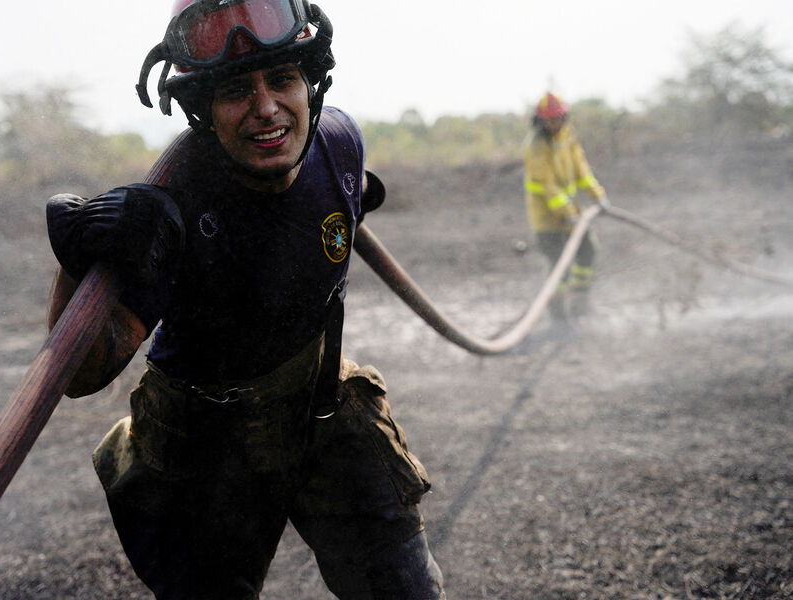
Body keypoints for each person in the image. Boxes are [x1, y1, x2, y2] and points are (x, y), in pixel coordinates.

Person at [44, 1, 446, 598]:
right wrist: (78, 266)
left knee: (406, 590)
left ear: (312, 82)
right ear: (202, 109)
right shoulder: (173, 209)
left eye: (282, 79)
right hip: (201, 445)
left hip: (320, 403)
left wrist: (355, 198)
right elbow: (78, 374)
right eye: (236, 90)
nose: (266, 108)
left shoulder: (339, 142)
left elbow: (343, 193)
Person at [522, 92, 609, 319]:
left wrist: (598, 196)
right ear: (540, 121)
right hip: (547, 220)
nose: (554, 123)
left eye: (558, 118)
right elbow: (548, 186)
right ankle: (558, 315)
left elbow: (582, 172)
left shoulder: (568, 139)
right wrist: (568, 213)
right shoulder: (535, 147)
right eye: (549, 120)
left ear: (565, 117)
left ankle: (581, 301)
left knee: (588, 251)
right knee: (559, 267)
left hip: (573, 216)